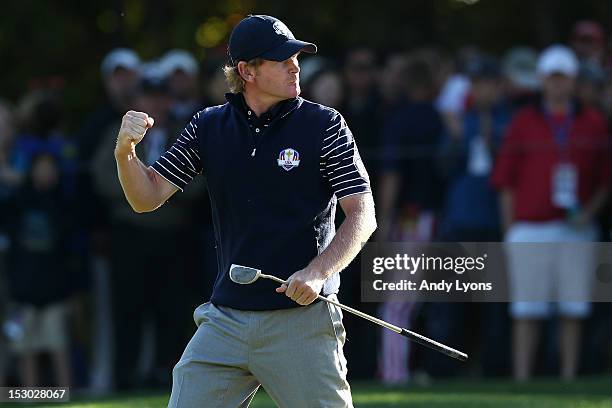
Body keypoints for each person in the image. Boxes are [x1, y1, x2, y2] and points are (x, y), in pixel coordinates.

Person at [113, 15, 376, 407]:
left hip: (301, 320)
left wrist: (318, 272)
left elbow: (362, 214)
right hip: (226, 320)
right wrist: (125, 153)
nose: (294, 65)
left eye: (296, 57)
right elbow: (146, 197)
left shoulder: (325, 125)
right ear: (246, 71)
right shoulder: (208, 126)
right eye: (281, 59)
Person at [492, 45, 610, 381]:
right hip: (529, 228)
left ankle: (569, 378)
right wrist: (510, 229)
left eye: (564, 78)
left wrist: (590, 213)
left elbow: (605, 179)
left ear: (573, 81)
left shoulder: (593, 123)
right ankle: (522, 378)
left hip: (577, 229)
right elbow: (505, 181)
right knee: (526, 311)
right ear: (542, 80)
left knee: (574, 310)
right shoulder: (523, 121)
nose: (558, 85)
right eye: (552, 78)